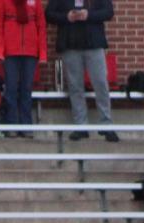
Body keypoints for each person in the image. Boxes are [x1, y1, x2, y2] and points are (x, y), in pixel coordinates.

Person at [46, 0, 117, 141]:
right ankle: (81, 126)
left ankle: (106, 124)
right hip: (70, 44)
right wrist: (66, 17)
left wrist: (88, 15)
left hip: (94, 43)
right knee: (75, 87)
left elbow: (108, 12)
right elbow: (48, 14)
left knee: (101, 83)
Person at [0, 0, 46, 135]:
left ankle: (26, 127)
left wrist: (42, 53)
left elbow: (41, 26)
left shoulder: (36, 2)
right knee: (10, 89)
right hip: (10, 52)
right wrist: (0, 50)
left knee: (26, 90)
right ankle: (11, 126)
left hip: (30, 52)